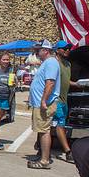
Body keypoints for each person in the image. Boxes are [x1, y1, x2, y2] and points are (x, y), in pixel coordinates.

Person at [28, 39, 61, 170]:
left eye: (38, 50)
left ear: (45, 50)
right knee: (41, 130)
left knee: (44, 131)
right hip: (40, 103)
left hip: (45, 103)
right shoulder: (47, 62)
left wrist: (43, 100)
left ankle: (44, 160)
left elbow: (50, 83)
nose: (36, 52)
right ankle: (42, 155)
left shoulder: (51, 62)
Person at [54, 41, 80, 163]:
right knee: (60, 125)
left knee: (57, 124)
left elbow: (66, 80)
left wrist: (76, 84)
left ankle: (43, 148)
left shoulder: (68, 64)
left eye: (69, 48)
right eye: (65, 48)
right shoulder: (54, 63)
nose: (67, 50)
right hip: (56, 99)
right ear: (57, 50)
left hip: (64, 100)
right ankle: (68, 151)